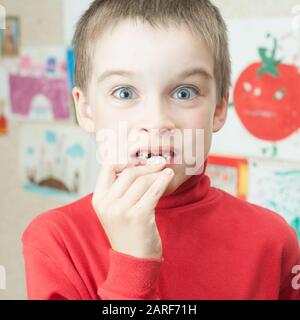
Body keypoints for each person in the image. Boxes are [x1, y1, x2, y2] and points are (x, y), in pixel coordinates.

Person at [22, 0, 300, 300]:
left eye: (184, 92)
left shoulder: (274, 240)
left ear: (219, 109)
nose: (156, 122)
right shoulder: (55, 241)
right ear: (86, 110)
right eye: (124, 92)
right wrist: (132, 267)